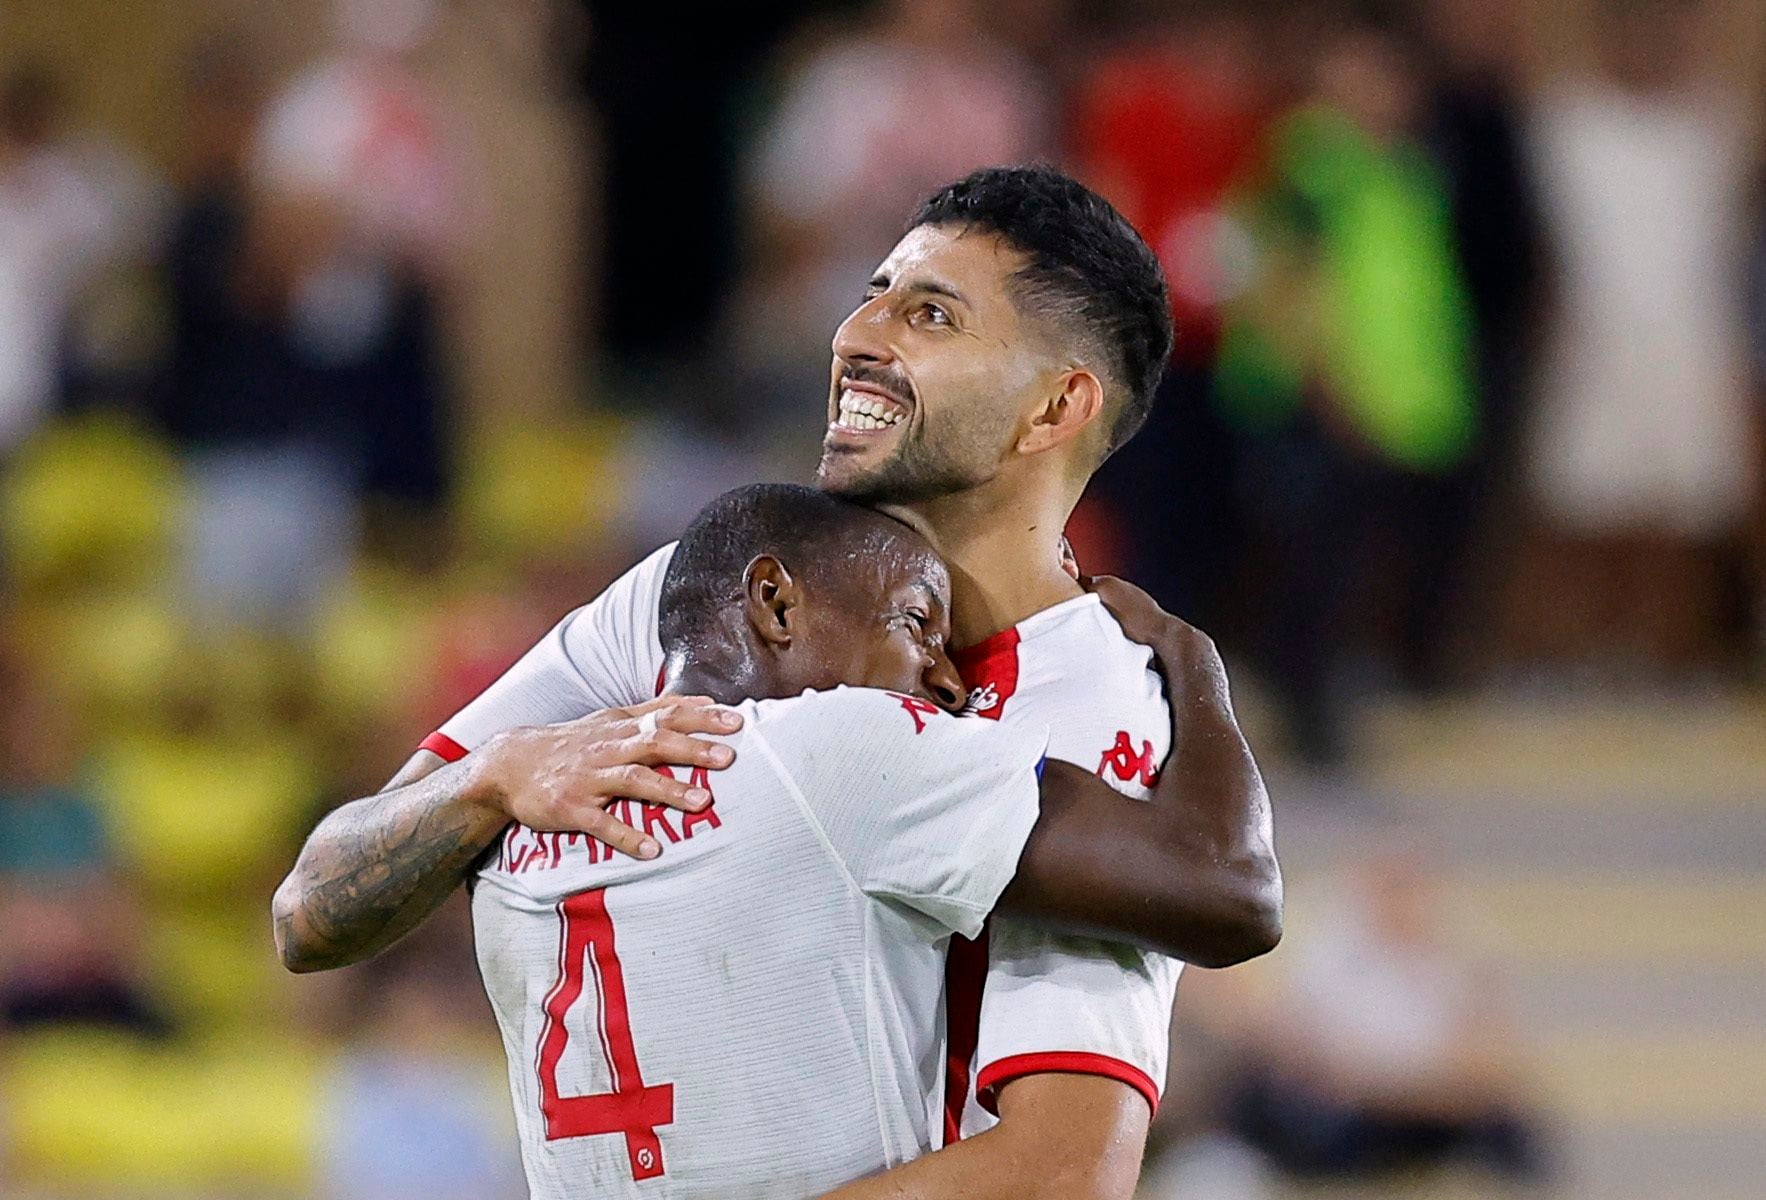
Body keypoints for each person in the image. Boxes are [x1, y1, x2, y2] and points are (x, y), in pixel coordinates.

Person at [275, 166, 1282, 1197]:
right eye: (871, 293)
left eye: (928, 314)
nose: (856, 334)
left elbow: (1056, 1178)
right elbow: (312, 910)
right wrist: (492, 776)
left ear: (1053, 406)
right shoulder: (697, 590)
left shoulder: (1091, 708)